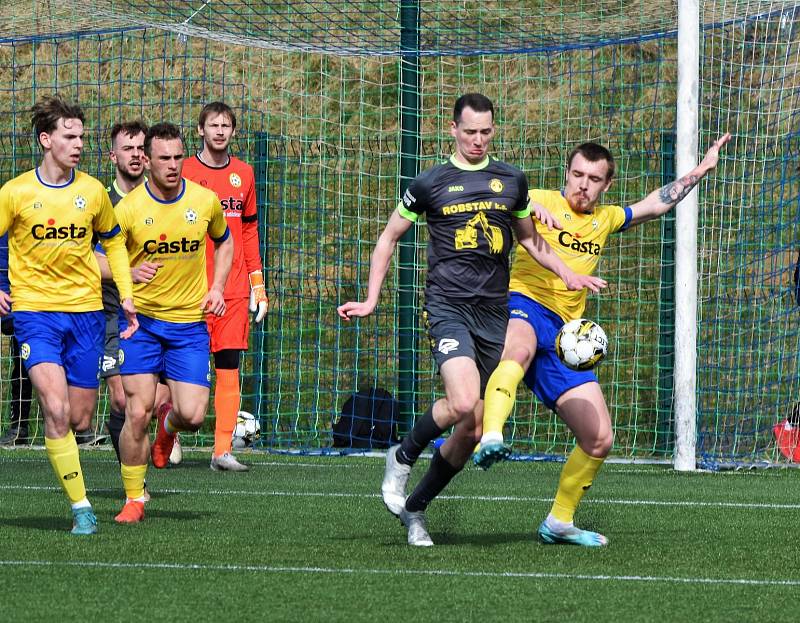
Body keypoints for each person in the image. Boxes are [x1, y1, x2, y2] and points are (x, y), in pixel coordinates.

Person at [337, 93, 606, 546]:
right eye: (470, 132)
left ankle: (416, 509)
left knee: (472, 429)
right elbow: (388, 238)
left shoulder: (511, 180)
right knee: (463, 403)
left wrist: (568, 273)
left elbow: (531, 242)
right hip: (448, 307)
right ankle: (401, 457)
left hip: (493, 312)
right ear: (453, 130)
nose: (478, 140)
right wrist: (370, 299)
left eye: (485, 132)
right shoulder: (430, 183)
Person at [473, 134, 732, 547]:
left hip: (566, 335)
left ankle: (559, 521)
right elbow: (483, 190)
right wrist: (522, 205)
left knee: (599, 438)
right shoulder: (537, 198)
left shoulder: (606, 218)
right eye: (577, 174)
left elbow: (655, 203)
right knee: (516, 350)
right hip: (523, 304)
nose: (583, 184)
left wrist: (701, 170)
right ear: (566, 173)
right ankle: (491, 437)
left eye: (594, 178)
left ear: (606, 184)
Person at [0, 95, 137, 535]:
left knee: (78, 418)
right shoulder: (16, 192)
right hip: (35, 312)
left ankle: (71, 458)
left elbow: (113, 241)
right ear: (46, 139)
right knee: (55, 410)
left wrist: (127, 293)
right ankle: (82, 507)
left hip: (86, 314)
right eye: (69, 136)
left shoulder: (93, 192)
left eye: (81, 136)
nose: (78, 144)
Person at [113, 122, 233, 524]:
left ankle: (169, 428)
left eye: (178, 157)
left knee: (193, 415)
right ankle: (134, 498)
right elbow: (97, 258)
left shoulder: (204, 201)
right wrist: (128, 271)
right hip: (141, 325)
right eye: (164, 158)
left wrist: (217, 286)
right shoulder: (127, 209)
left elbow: (226, 239)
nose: (173, 165)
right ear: (146, 160)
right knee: (136, 410)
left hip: (188, 326)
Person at [180, 101, 267, 472]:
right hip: (188, 286)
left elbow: (248, 230)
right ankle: (171, 435)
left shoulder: (244, 174)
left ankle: (221, 451)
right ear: (200, 130)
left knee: (229, 363)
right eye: (213, 125)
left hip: (231, 288)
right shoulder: (182, 170)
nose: (219, 131)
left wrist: (257, 285)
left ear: (233, 131)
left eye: (226, 125)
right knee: (182, 367)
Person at [94, 120, 171, 470]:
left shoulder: (163, 199)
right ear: (113, 156)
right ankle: (133, 480)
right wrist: (127, 273)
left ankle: (165, 433)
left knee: (162, 404)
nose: (137, 155)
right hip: (113, 315)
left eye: (142, 148)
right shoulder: (103, 203)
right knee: (123, 401)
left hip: (163, 315)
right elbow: (89, 257)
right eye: (129, 148)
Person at [0, 232, 33, 446]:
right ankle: (18, 425)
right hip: (17, 305)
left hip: (51, 302)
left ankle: (79, 427)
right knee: (24, 363)